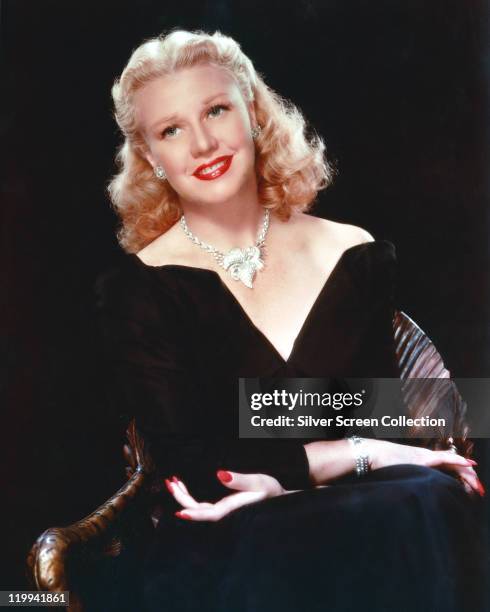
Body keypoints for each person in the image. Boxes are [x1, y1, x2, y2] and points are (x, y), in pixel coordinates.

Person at [96, 29, 486, 612]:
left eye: (217, 110)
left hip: (375, 513)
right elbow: (199, 469)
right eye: (171, 129)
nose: (203, 143)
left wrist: (332, 455)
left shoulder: (351, 252)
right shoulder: (141, 288)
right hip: (235, 530)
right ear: (151, 156)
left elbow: (379, 416)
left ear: (252, 114)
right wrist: (362, 449)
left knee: (424, 500)